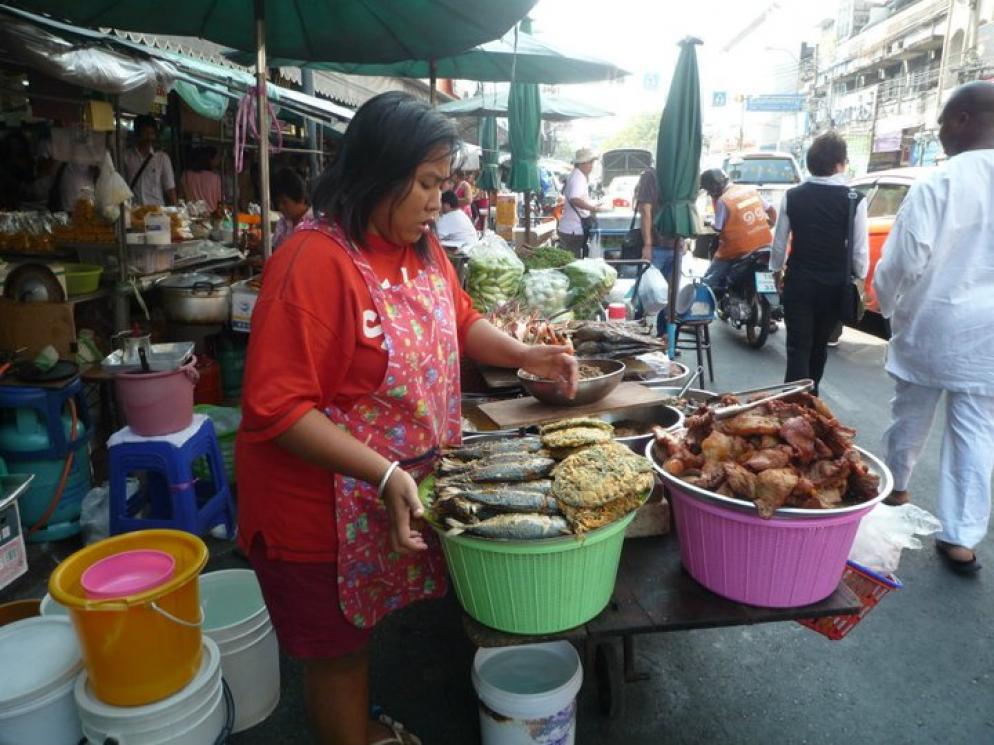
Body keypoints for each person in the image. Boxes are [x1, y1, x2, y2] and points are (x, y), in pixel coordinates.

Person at [235, 91, 577, 745]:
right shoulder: (312, 262)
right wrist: (385, 471)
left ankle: (360, 727)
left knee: (363, 633)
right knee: (338, 652)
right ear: (376, 172)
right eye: (425, 183)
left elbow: (462, 319)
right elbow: (276, 407)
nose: (436, 203)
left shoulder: (420, 247)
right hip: (317, 512)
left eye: (443, 185)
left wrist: (525, 354)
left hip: (390, 490)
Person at [873, 81, 994, 575]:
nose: (940, 131)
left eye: (943, 120)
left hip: (933, 324)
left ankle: (896, 489)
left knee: (909, 415)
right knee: (976, 433)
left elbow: (902, 261)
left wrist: (887, 306)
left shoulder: (939, 183)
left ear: (963, 119)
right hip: (988, 341)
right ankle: (961, 539)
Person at [770, 132, 869, 394]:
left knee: (797, 347)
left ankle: (792, 404)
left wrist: (776, 272)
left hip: (799, 282)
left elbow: (779, 243)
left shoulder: (793, 196)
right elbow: (860, 253)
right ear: (839, 164)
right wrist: (859, 276)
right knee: (818, 346)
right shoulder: (854, 199)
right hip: (834, 286)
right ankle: (811, 400)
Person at [699, 168, 775, 294]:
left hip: (738, 250)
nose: (709, 194)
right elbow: (771, 210)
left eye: (708, 190)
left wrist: (710, 222)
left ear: (714, 187)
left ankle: (703, 300)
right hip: (764, 246)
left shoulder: (723, 201)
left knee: (708, 282)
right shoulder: (750, 190)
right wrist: (770, 225)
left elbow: (718, 228)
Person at [558, 148, 603, 257]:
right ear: (582, 163)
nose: (592, 166)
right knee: (573, 261)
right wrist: (593, 208)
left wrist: (592, 205)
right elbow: (574, 199)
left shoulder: (575, 175)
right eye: (590, 163)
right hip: (573, 229)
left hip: (570, 228)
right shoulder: (578, 177)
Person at [124, 115, 176, 206]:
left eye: (152, 133)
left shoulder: (162, 158)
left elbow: (170, 188)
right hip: (134, 211)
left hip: (157, 210)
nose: (149, 137)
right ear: (137, 134)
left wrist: (176, 208)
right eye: (145, 133)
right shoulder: (126, 157)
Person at [270, 167, 312, 251]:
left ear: (301, 199)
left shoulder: (315, 223)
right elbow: (274, 248)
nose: (280, 207)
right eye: (278, 203)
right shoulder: (283, 222)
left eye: (284, 202)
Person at [179, 146, 222, 212]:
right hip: (211, 215)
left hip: (191, 214)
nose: (219, 160)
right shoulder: (216, 178)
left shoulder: (186, 175)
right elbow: (219, 200)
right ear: (210, 160)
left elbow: (181, 197)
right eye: (217, 157)